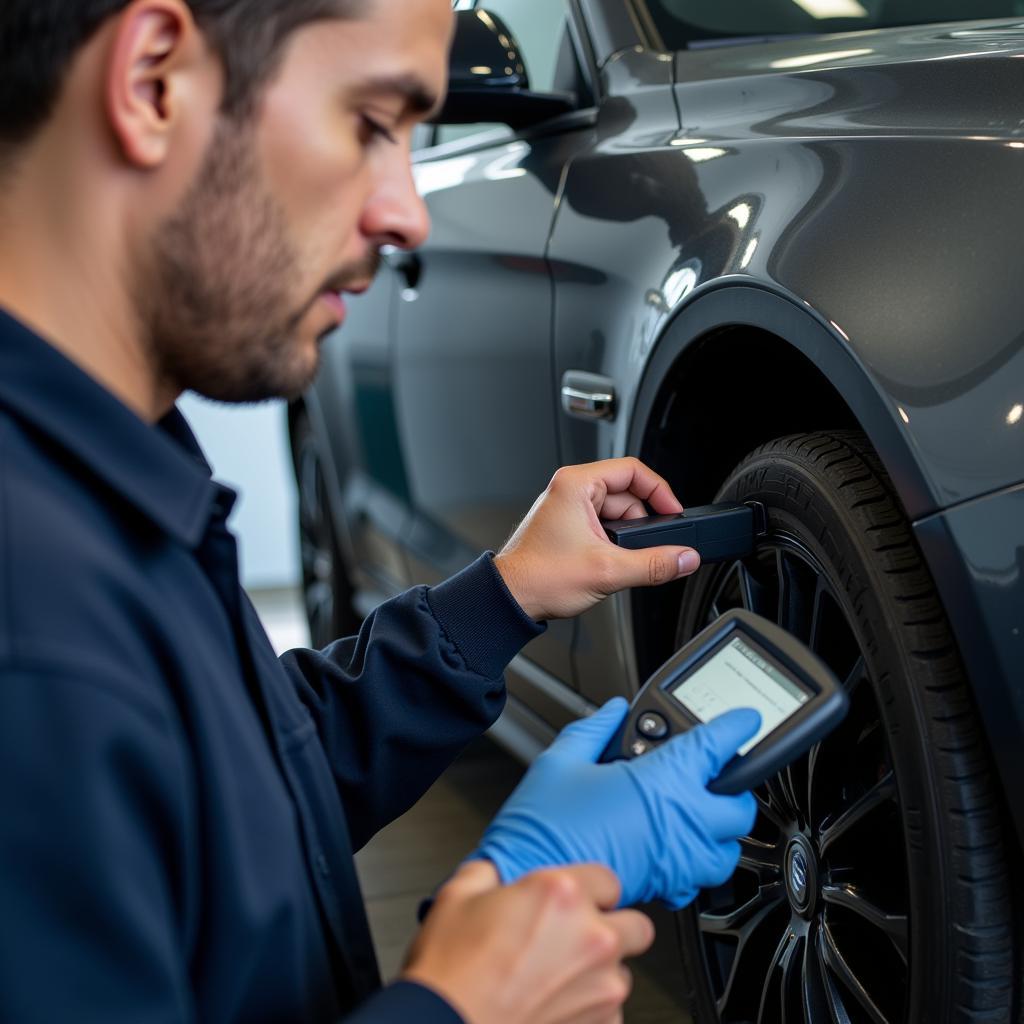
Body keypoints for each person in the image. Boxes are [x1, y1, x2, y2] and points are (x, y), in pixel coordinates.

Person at [0, 2, 759, 1022]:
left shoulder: (108, 469)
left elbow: (226, 791)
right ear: (152, 83)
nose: (408, 215)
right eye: (369, 122)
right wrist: (460, 1008)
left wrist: (500, 598)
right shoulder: (35, 644)